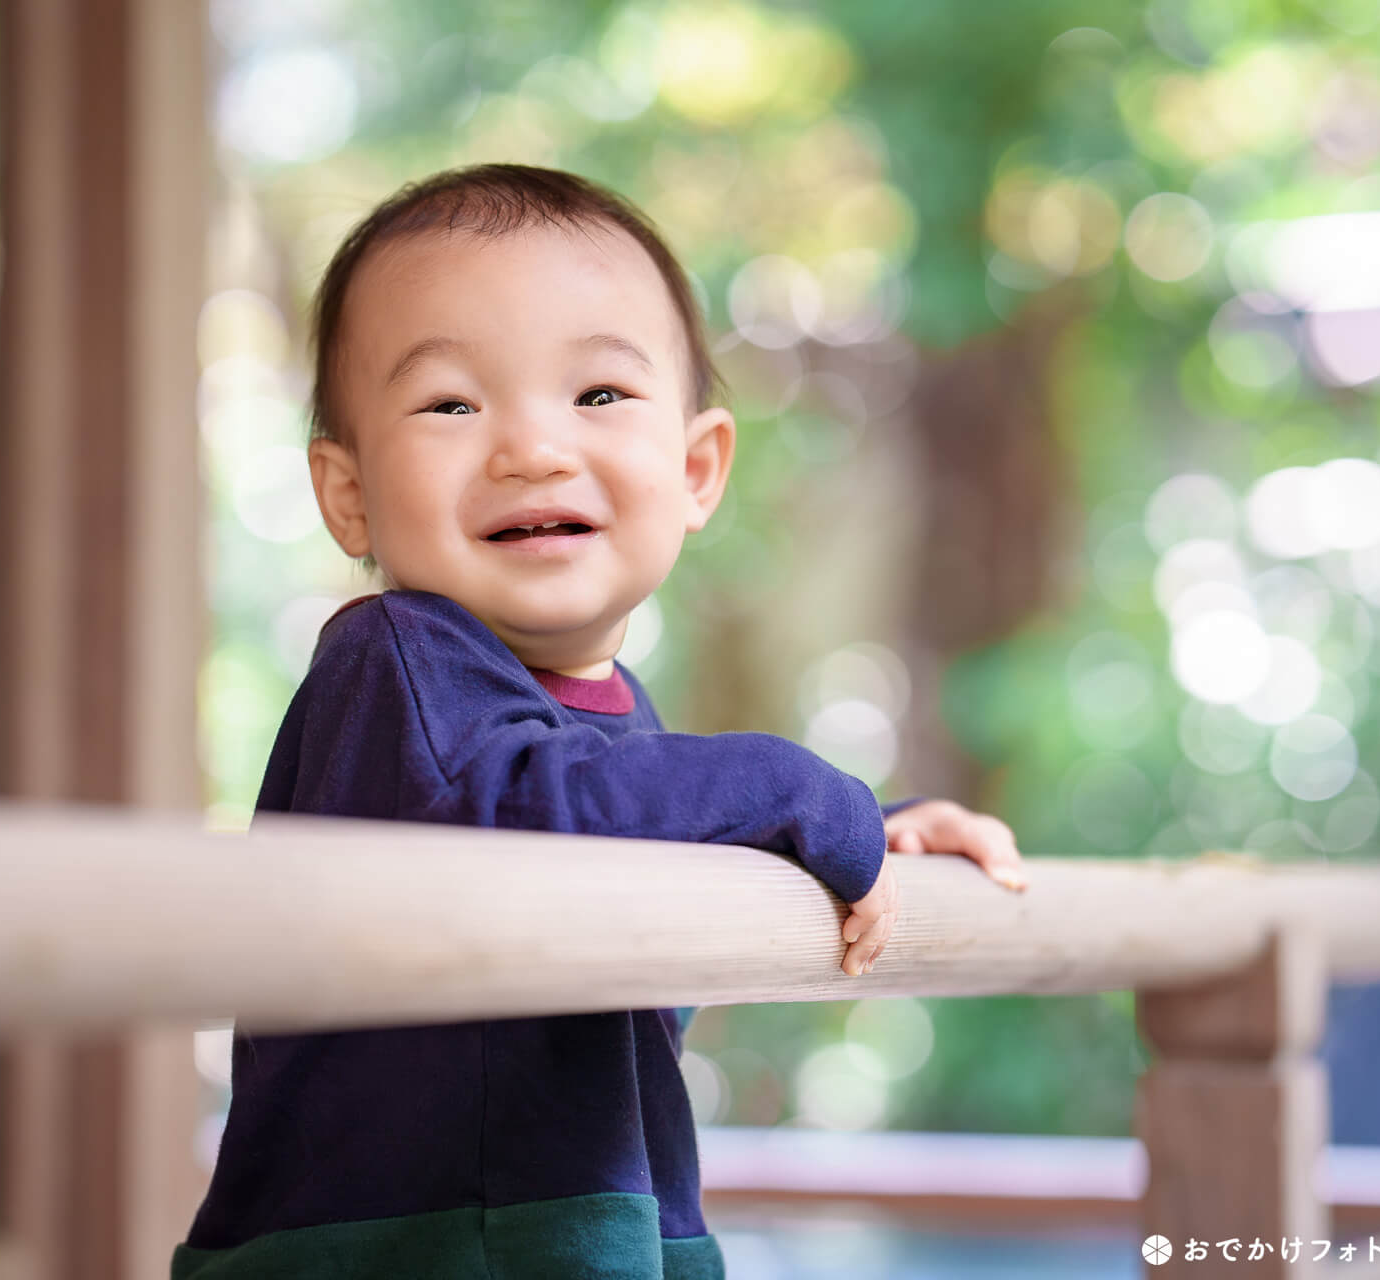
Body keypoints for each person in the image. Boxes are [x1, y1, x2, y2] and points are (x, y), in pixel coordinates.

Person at [173, 163, 1029, 1280]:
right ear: (348, 494)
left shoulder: (611, 723)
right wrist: (794, 793)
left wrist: (865, 828)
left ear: (694, 469)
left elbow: (637, 855)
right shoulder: (393, 662)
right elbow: (531, 814)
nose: (532, 446)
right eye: (449, 403)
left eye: (599, 395)